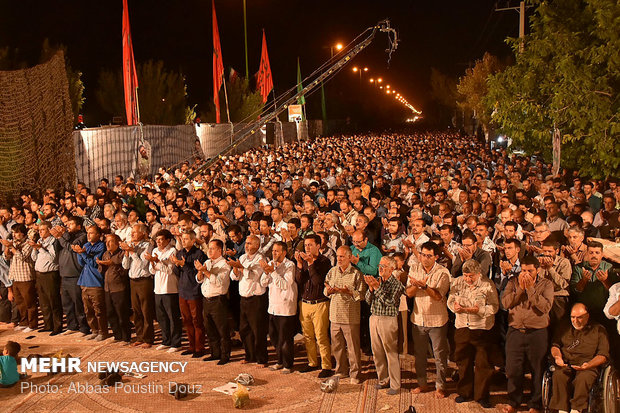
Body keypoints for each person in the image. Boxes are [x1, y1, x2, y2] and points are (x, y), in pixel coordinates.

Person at [501, 255, 554, 413]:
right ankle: (514, 401)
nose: (526, 274)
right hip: (515, 331)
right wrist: (520, 290)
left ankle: (535, 404)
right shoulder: (513, 282)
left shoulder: (546, 284)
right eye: (523, 270)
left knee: (537, 369)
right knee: (512, 369)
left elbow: (545, 307)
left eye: (530, 271)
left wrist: (530, 289)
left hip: (537, 333)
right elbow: (505, 303)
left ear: (537, 270)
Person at [447, 259, 499, 408]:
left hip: (482, 329)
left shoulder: (488, 285)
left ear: (478, 274)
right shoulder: (457, 283)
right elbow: (450, 301)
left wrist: (479, 311)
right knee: (463, 362)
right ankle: (465, 392)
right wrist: (454, 307)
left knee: (483, 364)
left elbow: (494, 307)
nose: (468, 279)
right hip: (463, 327)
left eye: (471, 276)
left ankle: (482, 396)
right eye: (466, 276)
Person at [405, 241, 451, 397]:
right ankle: (422, 383)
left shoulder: (443, 272)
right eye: (423, 255)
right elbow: (409, 293)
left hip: (437, 320)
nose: (424, 258)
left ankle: (441, 386)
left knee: (439, 356)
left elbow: (438, 296)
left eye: (428, 256)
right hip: (418, 318)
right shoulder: (414, 268)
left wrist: (424, 287)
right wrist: (417, 286)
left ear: (436, 257)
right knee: (419, 355)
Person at [549, 303, 609, 413]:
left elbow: (603, 355)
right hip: (566, 363)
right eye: (573, 317)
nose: (575, 321)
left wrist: (589, 365)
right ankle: (562, 410)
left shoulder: (599, 330)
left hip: (588, 365)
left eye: (579, 317)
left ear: (587, 316)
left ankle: (576, 409)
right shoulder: (563, 327)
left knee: (583, 378)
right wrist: (557, 357)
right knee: (559, 375)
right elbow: (555, 346)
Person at [364, 256, 404, 395]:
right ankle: (383, 379)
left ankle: (395, 384)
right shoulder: (378, 281)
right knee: (377, 352)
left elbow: (390, 302)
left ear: (392, 269)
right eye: (380, 265)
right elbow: (368, 301)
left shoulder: (397, 285)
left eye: (384, 266)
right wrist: (371, 289)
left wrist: (376, 287)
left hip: (388, 320)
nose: (380, 268)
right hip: (374, 318)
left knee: (390, 353)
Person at [295, 234, 333, 378]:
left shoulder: (325, 261)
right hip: (305, 303)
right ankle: (312, 362)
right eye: (306, 245)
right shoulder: (304, 261)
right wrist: (300, 265)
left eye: (310, 245)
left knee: (321, 336)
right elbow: (299, 281)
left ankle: (326, 365)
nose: (308, 248)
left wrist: (310, 264)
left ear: (318, 245)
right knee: (308, 336)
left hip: (320, 303)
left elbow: (318, 282)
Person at [324, 245, 365, 384]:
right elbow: (326, 288)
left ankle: (355, 374)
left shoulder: (356, 273)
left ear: (349, 257)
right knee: (337, 346)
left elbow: (361, 294)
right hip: (335, 315)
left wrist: (349, 292)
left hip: (350, 316)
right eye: (338, 256)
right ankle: (341, 370)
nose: (339, 259)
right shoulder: (332, 271)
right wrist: (328, 291)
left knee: (352, 347)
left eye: (342, 256)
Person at [228, 235, 268, 366]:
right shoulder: (242, 257)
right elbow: (234, 277)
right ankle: (249, 355)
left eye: (250, 243)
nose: (247, 246)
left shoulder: (261, 259)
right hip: (243, 299)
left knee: (258, 330)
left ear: (257, 245)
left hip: (256, 299)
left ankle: (262, 358)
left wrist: (241, 267)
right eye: (246, 243)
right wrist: (235, 267)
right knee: (245, 330)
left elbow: (254, 275)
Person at [259, 242, 297, 374]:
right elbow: (263, 283)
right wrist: (266, 271)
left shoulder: (290, 265)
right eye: (273, 251)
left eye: (277, 251)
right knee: (274, 337)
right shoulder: (271, 264)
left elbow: (285, 284)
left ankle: (287, 364)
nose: (273, 253)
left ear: (284, 252)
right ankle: (279, 361)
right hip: (273, 306)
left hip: (285, 307)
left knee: (285, 338)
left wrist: (273, 272)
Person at [196, 239, 232, 364]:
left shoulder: (224, 264)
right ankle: (214, 353)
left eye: (212, 248)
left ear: (219, 250)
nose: (209, 251)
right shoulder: (207, 262)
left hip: (218, 300)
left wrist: (205, 271)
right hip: (206, 299)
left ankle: (225, 355)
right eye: (208, 248)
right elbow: (199, 280)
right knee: (210, 329)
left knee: (222, 330)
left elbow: (220, 282)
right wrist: (200, 271)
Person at [171, 231, 206, 357]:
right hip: (183, 290)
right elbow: (177, 272)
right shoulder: (180, 253)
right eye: (182, 239)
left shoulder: (199, 254)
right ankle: (191, 346)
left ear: (193, 240)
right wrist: (177, 264)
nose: (183, 241)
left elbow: (196, 274)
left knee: (197, 320)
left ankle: (200, 348)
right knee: (186, 320)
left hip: (194, 290)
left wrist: (184, 264)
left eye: (186, 239)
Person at [53, 216, 89, 336]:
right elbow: (57, 247)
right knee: (67, 303)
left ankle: (84, 327)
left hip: (75, 274)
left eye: (71, 224)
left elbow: (71, 247)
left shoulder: (82, 236)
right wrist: (57, 237)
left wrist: (61, 236)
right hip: (64, 274)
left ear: (78, 226)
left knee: (78, 303)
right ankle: (71, 325)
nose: (68, 226)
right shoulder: (66, 236)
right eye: (67, 224)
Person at [146, 229, 181, 352]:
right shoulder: (155, 251)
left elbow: (170, 270)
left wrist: (156, 262)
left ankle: (176, 343)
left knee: (173, 317)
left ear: (168, 240)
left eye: (161, 239)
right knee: (161, 317)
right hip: (158, 288)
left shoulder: (172, 251)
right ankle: (166, 340)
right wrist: (153, 262)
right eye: (157, 240)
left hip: (170, 288)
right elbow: (152, 271)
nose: (159, 242)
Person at [121, 223, 155, 348]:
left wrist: (132, 252)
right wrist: (126, 253)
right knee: (136, 311)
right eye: (131, 233)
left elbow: (143, 265)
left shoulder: (148, 246)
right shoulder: (132, 245)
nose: (132, 234)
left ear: (142, 233)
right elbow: (125, 266)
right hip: (133, 281)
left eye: (135, 232)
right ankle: (139, 336)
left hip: (144, 281)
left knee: (146, 310)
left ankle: (148, 338)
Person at [570, 241, 618, 323]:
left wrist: (605, 281)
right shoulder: (578, 268)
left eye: (597, 253)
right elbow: (575, 291)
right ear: (587, 254)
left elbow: (615, 292)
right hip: (584, 311)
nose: (594, 255)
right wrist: (584, 280)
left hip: (603, 310)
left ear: (602, 254)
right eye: (591, 253)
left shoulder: (609, 267)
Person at [75, 225, 108, 341]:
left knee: (98, 309)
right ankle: (94, 330)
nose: (88, 235)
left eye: (92, 233)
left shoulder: (102, 246)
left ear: (98, 235)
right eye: (88, 233)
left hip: (95, 281)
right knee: (88, 310)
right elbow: (82, 263)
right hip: (85, 281)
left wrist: (83, 253)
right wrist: (80, 253)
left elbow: (94, 263)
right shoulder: (86, 245)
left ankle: (102, 331)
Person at [97, 233, 130, 343]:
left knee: (122, 313)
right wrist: (101, 264)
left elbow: (125, 270)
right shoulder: (106, 254)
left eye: (110, 241)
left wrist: (113, 263)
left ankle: (126, 337)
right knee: (110, 313)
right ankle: (117, 335)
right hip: (107, 288)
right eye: (106, 241)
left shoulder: (122, 254)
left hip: (119, 288)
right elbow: (101, 270)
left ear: (117, 243)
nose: (107, 244)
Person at [31, 221, 63, 335]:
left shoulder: (54, 241)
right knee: (44, 301)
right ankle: (48, 324)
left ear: (49, 230)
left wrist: (40, 249)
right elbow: (34, 258)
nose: (40, 232)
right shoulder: (40, 241)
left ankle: (57, 326)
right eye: (39, 230)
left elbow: (52, 258)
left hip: (50, 274)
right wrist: (35, 248)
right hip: (39, 274)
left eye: (43, 230)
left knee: (53, 300)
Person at [4, 224, 36, 332]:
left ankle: (32, 324)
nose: (14, 235)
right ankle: (23, 322)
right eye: (13, 233)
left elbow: (22, 256)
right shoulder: (14, 243)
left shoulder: (28, 243)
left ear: (22, 233)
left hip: (25, 277)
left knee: (29, 302)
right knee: (19, 302)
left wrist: (12, 248)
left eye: (16, 232)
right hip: (15, 276)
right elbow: (7, 257)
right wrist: (7, 248)